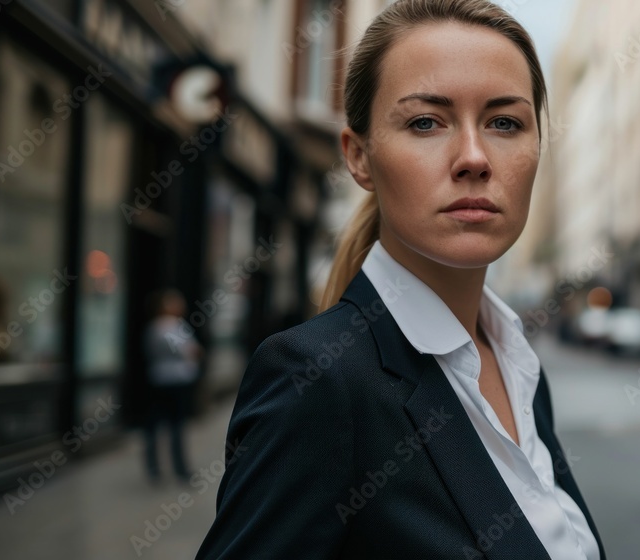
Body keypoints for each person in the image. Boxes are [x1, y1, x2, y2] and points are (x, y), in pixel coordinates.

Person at [195, 1, 606, 558]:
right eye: (425, 122)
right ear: (359, 157)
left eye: (504, 122)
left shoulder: (518, 367)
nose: (473, 157)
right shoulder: (317, 380)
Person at [143, 289, 200, 482]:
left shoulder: (153, 328)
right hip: (176, 381)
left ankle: (154, 468)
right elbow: (188, 350)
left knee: (156, 425)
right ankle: (179, 469)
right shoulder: (172, 326)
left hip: (159, 379)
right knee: (176, 425)